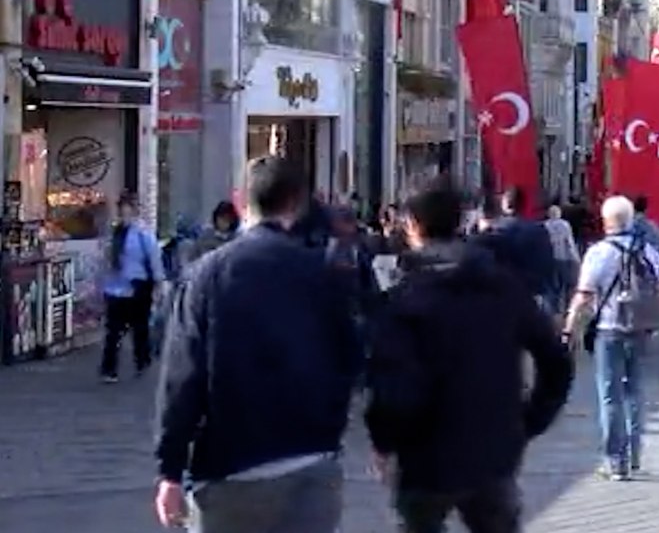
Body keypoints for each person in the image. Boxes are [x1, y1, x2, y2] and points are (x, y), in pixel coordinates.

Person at [154, 156, 362, 531]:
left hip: (231, 467)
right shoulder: (323, 272)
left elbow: (182, 377)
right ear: (298, 202)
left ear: (240, 201)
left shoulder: (207, 275)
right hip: (310, 459)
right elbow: (349, 358)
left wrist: (170, 469)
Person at [365, 181, 572, 532]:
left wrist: (384, 440)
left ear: (412, 224)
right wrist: (531, 419)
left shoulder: (405, 298)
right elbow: (556, 359)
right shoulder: (503, 287)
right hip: (494, 448)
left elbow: (394, 387)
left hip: (426, 455)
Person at [562, 195, 659, 480]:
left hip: (608, 330)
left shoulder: (598, 253)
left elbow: (583, 297)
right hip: (641, 330)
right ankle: (634, 456)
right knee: (635, 392)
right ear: (631, 220)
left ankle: (615, 461)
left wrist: (571, 329)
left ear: (606, 222)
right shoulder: (649, 252)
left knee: (610, 396)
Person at [99, 195, 166, 383]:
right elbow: (106, 257)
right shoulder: (114, 232)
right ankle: (109, 368)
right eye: (123, 208)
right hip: (116, 286)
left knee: (139, 328)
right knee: (114, 330)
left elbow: (154, 257)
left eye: (129, 208)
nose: (125, 212)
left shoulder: (143, 232)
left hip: (138, 284)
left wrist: (159, 281)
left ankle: (142, 359)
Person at [473, 188, 559, 314]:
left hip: (507, 297)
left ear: (505, 204)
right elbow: (548, 265)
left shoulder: (496, 232)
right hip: (535, 294)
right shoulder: (539, 230)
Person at [545, 204, 581, 322]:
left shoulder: (545, 226)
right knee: (566, 287)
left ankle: (553, 314)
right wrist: (576, 258)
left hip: (550, 260)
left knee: (552, 289)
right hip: (564, 259)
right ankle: (566, 313)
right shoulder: (565, 225)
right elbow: (569, 243)